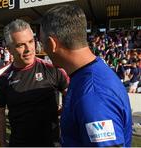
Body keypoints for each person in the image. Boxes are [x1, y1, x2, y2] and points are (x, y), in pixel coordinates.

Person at [40, 4, 132, 147]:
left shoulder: (93, 95)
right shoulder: (89, 75)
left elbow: (94, 104)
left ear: (52, 44)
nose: (43, 49)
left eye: (42, 43)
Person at [0, 19, 69, 147]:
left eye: (31, 41)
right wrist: (2, 144)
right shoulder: (3, 81)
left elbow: (73, 96)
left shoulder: (53, 70)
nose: (29, 49)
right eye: (20, 45)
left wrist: (64, 109)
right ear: (9, 49)